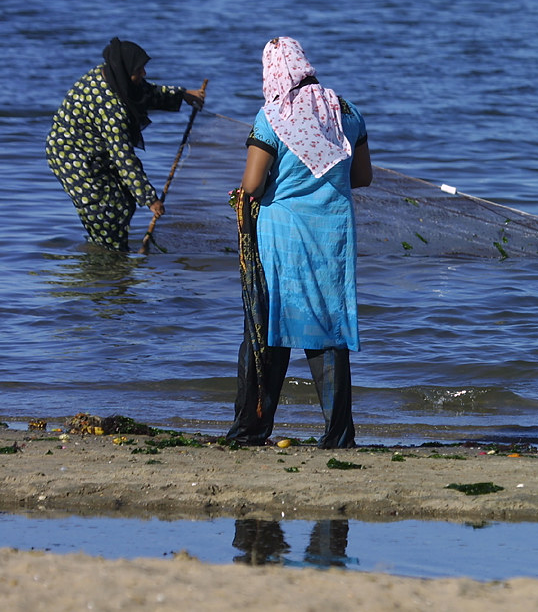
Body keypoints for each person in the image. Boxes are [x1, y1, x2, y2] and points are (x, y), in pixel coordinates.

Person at [226, 37, 373, 449]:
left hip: (282, 237)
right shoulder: (346, 111)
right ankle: (339, 434)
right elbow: (361, 177)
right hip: (333, 235)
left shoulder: (273, 115)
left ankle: (250, 430)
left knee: (267, 327)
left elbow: (252, 184)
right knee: (328, 330)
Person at [45, 37, 206, 251]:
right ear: (125, 70)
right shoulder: (110, 106)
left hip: (96, 152)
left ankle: (114, 267)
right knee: (107, 213)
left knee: (124, 203)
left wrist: (183, 94)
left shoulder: (114, 77)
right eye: (139, 70)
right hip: (73, 159)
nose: (144, 74)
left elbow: (145, 92)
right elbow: (124, 158)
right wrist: (151, 200)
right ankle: (104, 267)